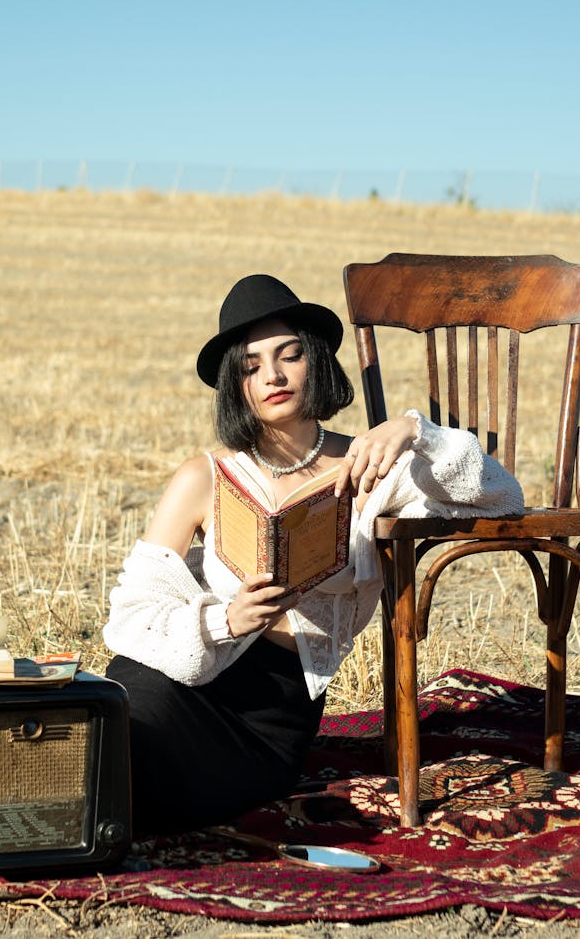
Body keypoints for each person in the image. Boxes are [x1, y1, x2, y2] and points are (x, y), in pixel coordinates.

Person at [104, 274, 522, 836]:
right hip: (185, 676)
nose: (272, 376)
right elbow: (130, 616)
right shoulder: (203, 476)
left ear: (315, 361)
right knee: (111, 726)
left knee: (147, 786)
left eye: (289, 356)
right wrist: (223, 621)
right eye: (251, 366)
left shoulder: (370, 467)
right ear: (237, 385)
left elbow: (503, 495)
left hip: (270, 717)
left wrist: (413, 431)